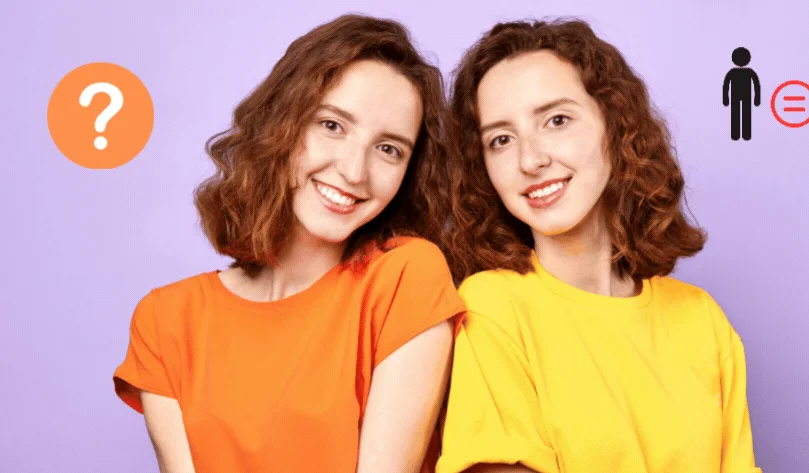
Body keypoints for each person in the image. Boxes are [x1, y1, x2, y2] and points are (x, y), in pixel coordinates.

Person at [113, 14, 465, 473]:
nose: (354, 171)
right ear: (282, 122)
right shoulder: (166, 321)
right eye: (332, 125)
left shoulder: (406, 278)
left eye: (389, 149)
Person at [438, 19, 762, 473]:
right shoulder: (493, 307)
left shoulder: (702, 319)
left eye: (556, 120)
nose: (530, 159)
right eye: (501, 140)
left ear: (615, 126)